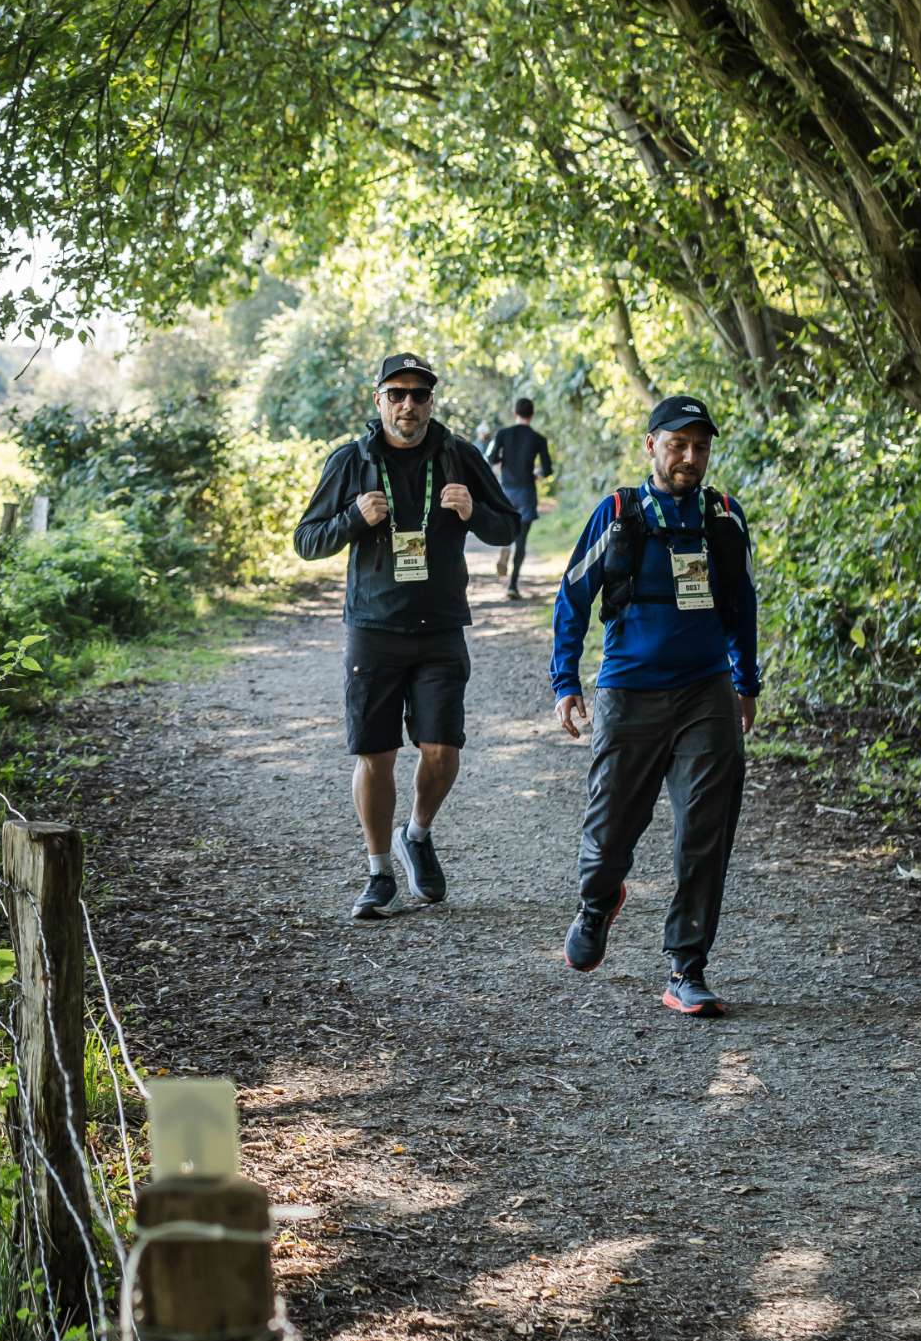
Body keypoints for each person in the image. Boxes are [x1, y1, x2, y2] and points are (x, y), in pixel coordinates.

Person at [551, 394, 760, 1017]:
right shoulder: (619, 513)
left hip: (706, 691)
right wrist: (566, 680)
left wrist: (746, 681)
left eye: (700, 447)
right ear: (651, 446)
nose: (689, 457)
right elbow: (573, 596)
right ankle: (598, 900)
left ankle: (686, 968)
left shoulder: (724, 517)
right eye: (677, 445)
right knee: (610, 826)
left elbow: (742, 603)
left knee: (705, 830)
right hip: (628, 690)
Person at [294, 353, 521, 919]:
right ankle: (379, 874)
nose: (408, 405)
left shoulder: (459, 456)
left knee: (442, 751)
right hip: (373, 629)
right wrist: (352, 519)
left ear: (431, 402)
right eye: (396, 394)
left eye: (419, 395)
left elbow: (508, 526)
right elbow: (306, 540)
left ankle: (416, 835)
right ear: (379, 401)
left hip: (440, 626)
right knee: (376, 755)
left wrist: (474, 512)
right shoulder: (351, 461)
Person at [488, 397, 554, 600]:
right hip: (526, 493)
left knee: (509, 528)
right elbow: (547, 469)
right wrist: (536, 474)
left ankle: (505, 545)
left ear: (515, 413)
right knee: (522, 540)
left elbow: (491, 458)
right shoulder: (538, 439)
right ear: (532, 414)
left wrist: (504, 461)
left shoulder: (503, 434)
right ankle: (512, 585)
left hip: (506, 492)